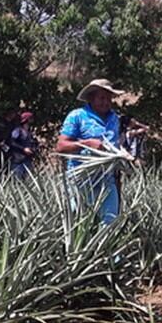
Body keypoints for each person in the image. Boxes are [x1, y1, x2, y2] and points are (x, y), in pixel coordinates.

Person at [55, 79, 124, 225]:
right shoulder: (77, 116)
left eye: (108, 98)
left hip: (107, 180)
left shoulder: (115, 119)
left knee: (110, 224)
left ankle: (104, 248)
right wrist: (85, 144)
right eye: (101, 98)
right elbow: (61, 146)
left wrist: (118, 183)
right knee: (79, 224)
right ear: (91, 98)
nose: (105, 102)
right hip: (81, 181)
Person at [7, 111, 38, 179]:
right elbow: (12, 142)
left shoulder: (29, 132)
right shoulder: (18, 130)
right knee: (17, 181)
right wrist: (23, 149)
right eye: (30, 119)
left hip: (27, 160)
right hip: (18, 161)